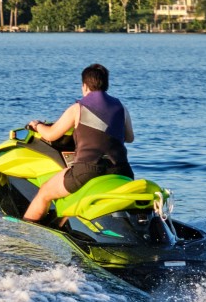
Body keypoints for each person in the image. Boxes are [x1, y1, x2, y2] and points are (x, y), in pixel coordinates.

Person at [23, 63, 135, 223]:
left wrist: (37, 125)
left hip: (88, 170)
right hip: (121, 170)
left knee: (45, 192)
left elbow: (52, 134)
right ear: (106, 84)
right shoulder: (121, 108)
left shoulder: (78, 108)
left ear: (84, 86)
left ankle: (25, 232)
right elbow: (130, 137)